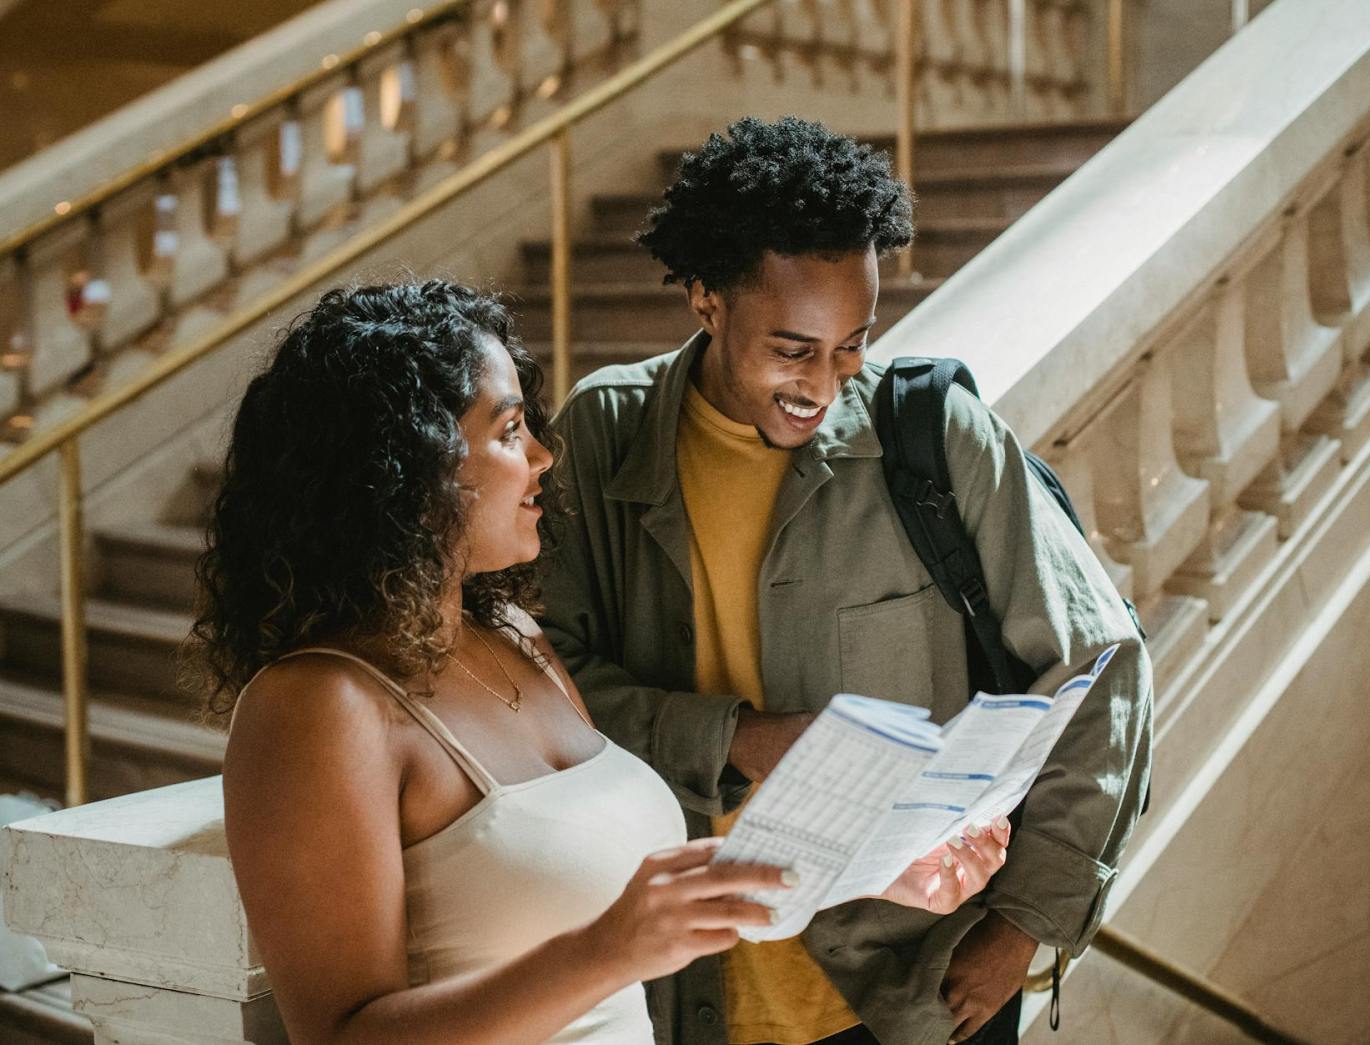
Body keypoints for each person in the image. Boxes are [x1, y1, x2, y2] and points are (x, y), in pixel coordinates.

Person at [197, 280, 1009, 1045]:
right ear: (406, 467)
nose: (546, 458)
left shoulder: (515, 634)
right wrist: (605, 952)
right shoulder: (316, 705)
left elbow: (619, 898)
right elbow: (340, 1036)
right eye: (510, 432)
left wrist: (870, 868)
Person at [539, 116, 1155, 1045]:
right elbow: (548, 692)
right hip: (683, 996)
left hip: (910, 997)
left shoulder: (936, 436)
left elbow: (1104, 664)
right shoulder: (603, 435)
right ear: (706, 297)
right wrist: (741, 739)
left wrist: (1023, 927)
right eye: (792, 349)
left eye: (852, 344)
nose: (824, 385)